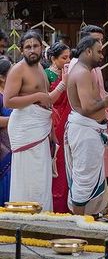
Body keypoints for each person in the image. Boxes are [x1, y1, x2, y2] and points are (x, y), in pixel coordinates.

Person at [4, 30, 66, 211]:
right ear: (22, 50)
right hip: (25, 128)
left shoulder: (40, 68)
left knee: (42, 176)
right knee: (27, 176)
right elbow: (9, 101)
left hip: (41, 128)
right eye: (28, 47)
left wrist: (52, 133)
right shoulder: (18, 70)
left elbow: (46, 102)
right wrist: (37, 95)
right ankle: (23, 217)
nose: (32, 50)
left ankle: (43, 215)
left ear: (42, 47)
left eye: (35, 46)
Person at [65, 36, 108, 215]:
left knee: (87, 178)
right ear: (88, 51)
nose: (102, 56)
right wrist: (106, 102)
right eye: (99, 52)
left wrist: (103, 101)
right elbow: (87, 108)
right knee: (84, 180)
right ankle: (78, 224)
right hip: (85, 131)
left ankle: (86, 220)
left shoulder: (86, 70)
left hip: (90, 131)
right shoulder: (82, 72)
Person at [45, 42, 71, 213]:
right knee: (57, 162)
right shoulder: (46, 75)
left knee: (68, 162)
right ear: (53, 59)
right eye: (64, 58)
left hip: (69, 121)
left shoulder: (69, 73)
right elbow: (46, 101)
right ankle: (56, 207)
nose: (68, 61)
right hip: (54, 123)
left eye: (69, 57)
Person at [0, 59, 13, 205]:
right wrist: (14, 120)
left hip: (13, 147)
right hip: (3, 150)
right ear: (2, 78)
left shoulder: (11, 94)